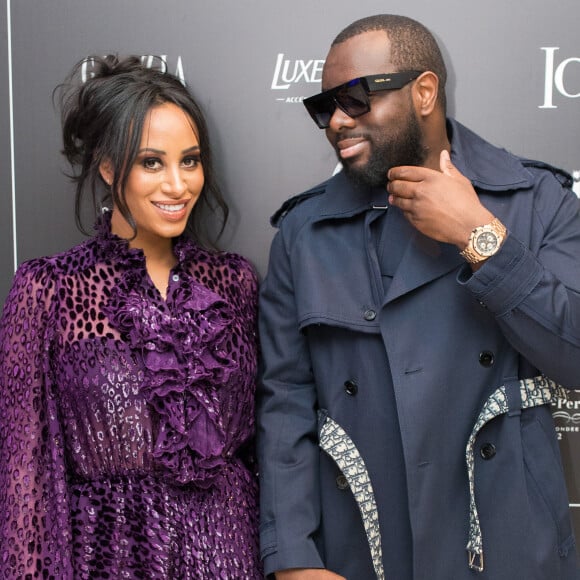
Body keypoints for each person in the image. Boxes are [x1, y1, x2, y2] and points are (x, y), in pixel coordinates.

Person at [257, 14, 580, 580]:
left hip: (507, 548)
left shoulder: (537, 199)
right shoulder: (304, 232)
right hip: (361, 552)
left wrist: (478, 237)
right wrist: (293, 557)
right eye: (323, 107)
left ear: (424, 92)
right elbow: (285, 401)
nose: (336, 121)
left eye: (355, 99)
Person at [0, 55, 262, 578]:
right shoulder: (48, 289)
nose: (177, 185)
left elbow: (265, 453)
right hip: (111, 557)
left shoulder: (234, 283)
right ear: (107, 168)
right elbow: (21, 479)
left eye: (189, 160)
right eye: (151, 162)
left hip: (230, 555)